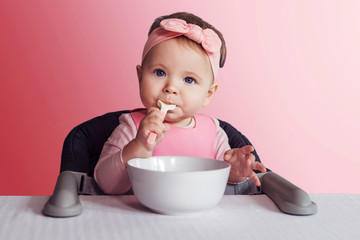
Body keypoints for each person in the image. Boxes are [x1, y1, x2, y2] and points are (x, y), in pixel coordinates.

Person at [94, 12, 266, 194]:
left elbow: (221, 183)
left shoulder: (213, 132)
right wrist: (138, 146)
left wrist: (235, 173)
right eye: (160, 73)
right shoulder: (132, 126)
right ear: (139, 77)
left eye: (189, 80)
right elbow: (105, 185)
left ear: (208, 94)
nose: (171, 88)